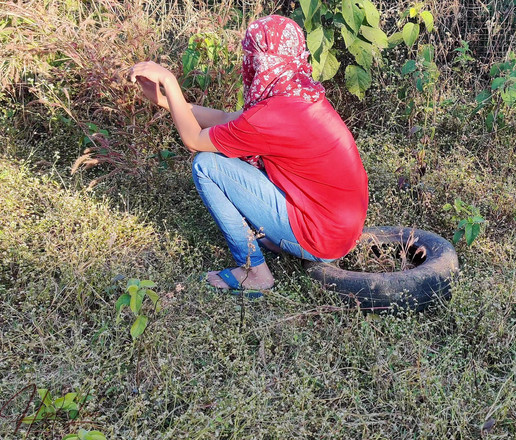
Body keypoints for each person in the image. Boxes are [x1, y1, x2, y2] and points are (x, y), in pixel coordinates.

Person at [129, 15, 368, 294]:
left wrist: (169, 81)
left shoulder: (272, 115)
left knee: (206, 165)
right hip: (341, 230)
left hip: (322, 239)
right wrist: (164, 100)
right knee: (230, 156)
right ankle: (277, 238)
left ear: (261, 61)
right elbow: (226, 117)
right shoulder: (299, 94)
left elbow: (194, 140)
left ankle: (255, 272)